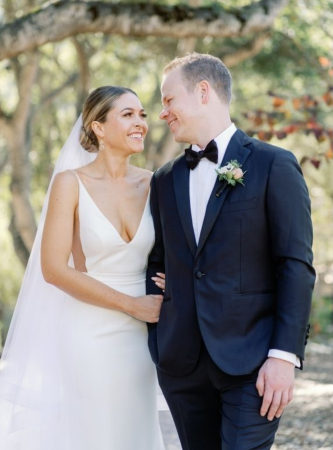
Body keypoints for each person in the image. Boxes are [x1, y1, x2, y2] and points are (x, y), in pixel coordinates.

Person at [146, 53, 315, 450]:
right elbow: (158, 263)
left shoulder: (275, 165)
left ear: (203, 91)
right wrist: (162, 334)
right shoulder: (164, 179)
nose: (162, 113)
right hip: (182, 366)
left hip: (253, 364)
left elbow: (295, 267)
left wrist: (283, 357)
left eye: (168, 100)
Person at [0, 86, 166, 450]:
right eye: (128, 115)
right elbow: (54, 270)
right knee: (95, 432)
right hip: (90, 329)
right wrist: (132, 305)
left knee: (137, 430)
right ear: (99, 128)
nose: (140, 123)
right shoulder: (70, 183)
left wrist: (172, 285)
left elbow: (175, 254)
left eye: (142, 115)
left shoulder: (156, 183)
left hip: (145, 332)